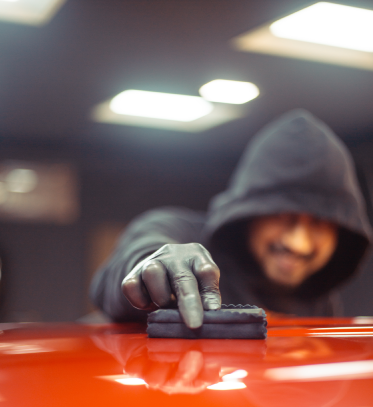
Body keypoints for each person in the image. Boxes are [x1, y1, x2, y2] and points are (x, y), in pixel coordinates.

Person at [90, 109, 372, 328]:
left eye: (319, 222)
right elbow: (121, 271)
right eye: (282, 214)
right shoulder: (174, 229)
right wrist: (153, 266)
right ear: (251, 211)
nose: (298, 243)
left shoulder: (320, 300)